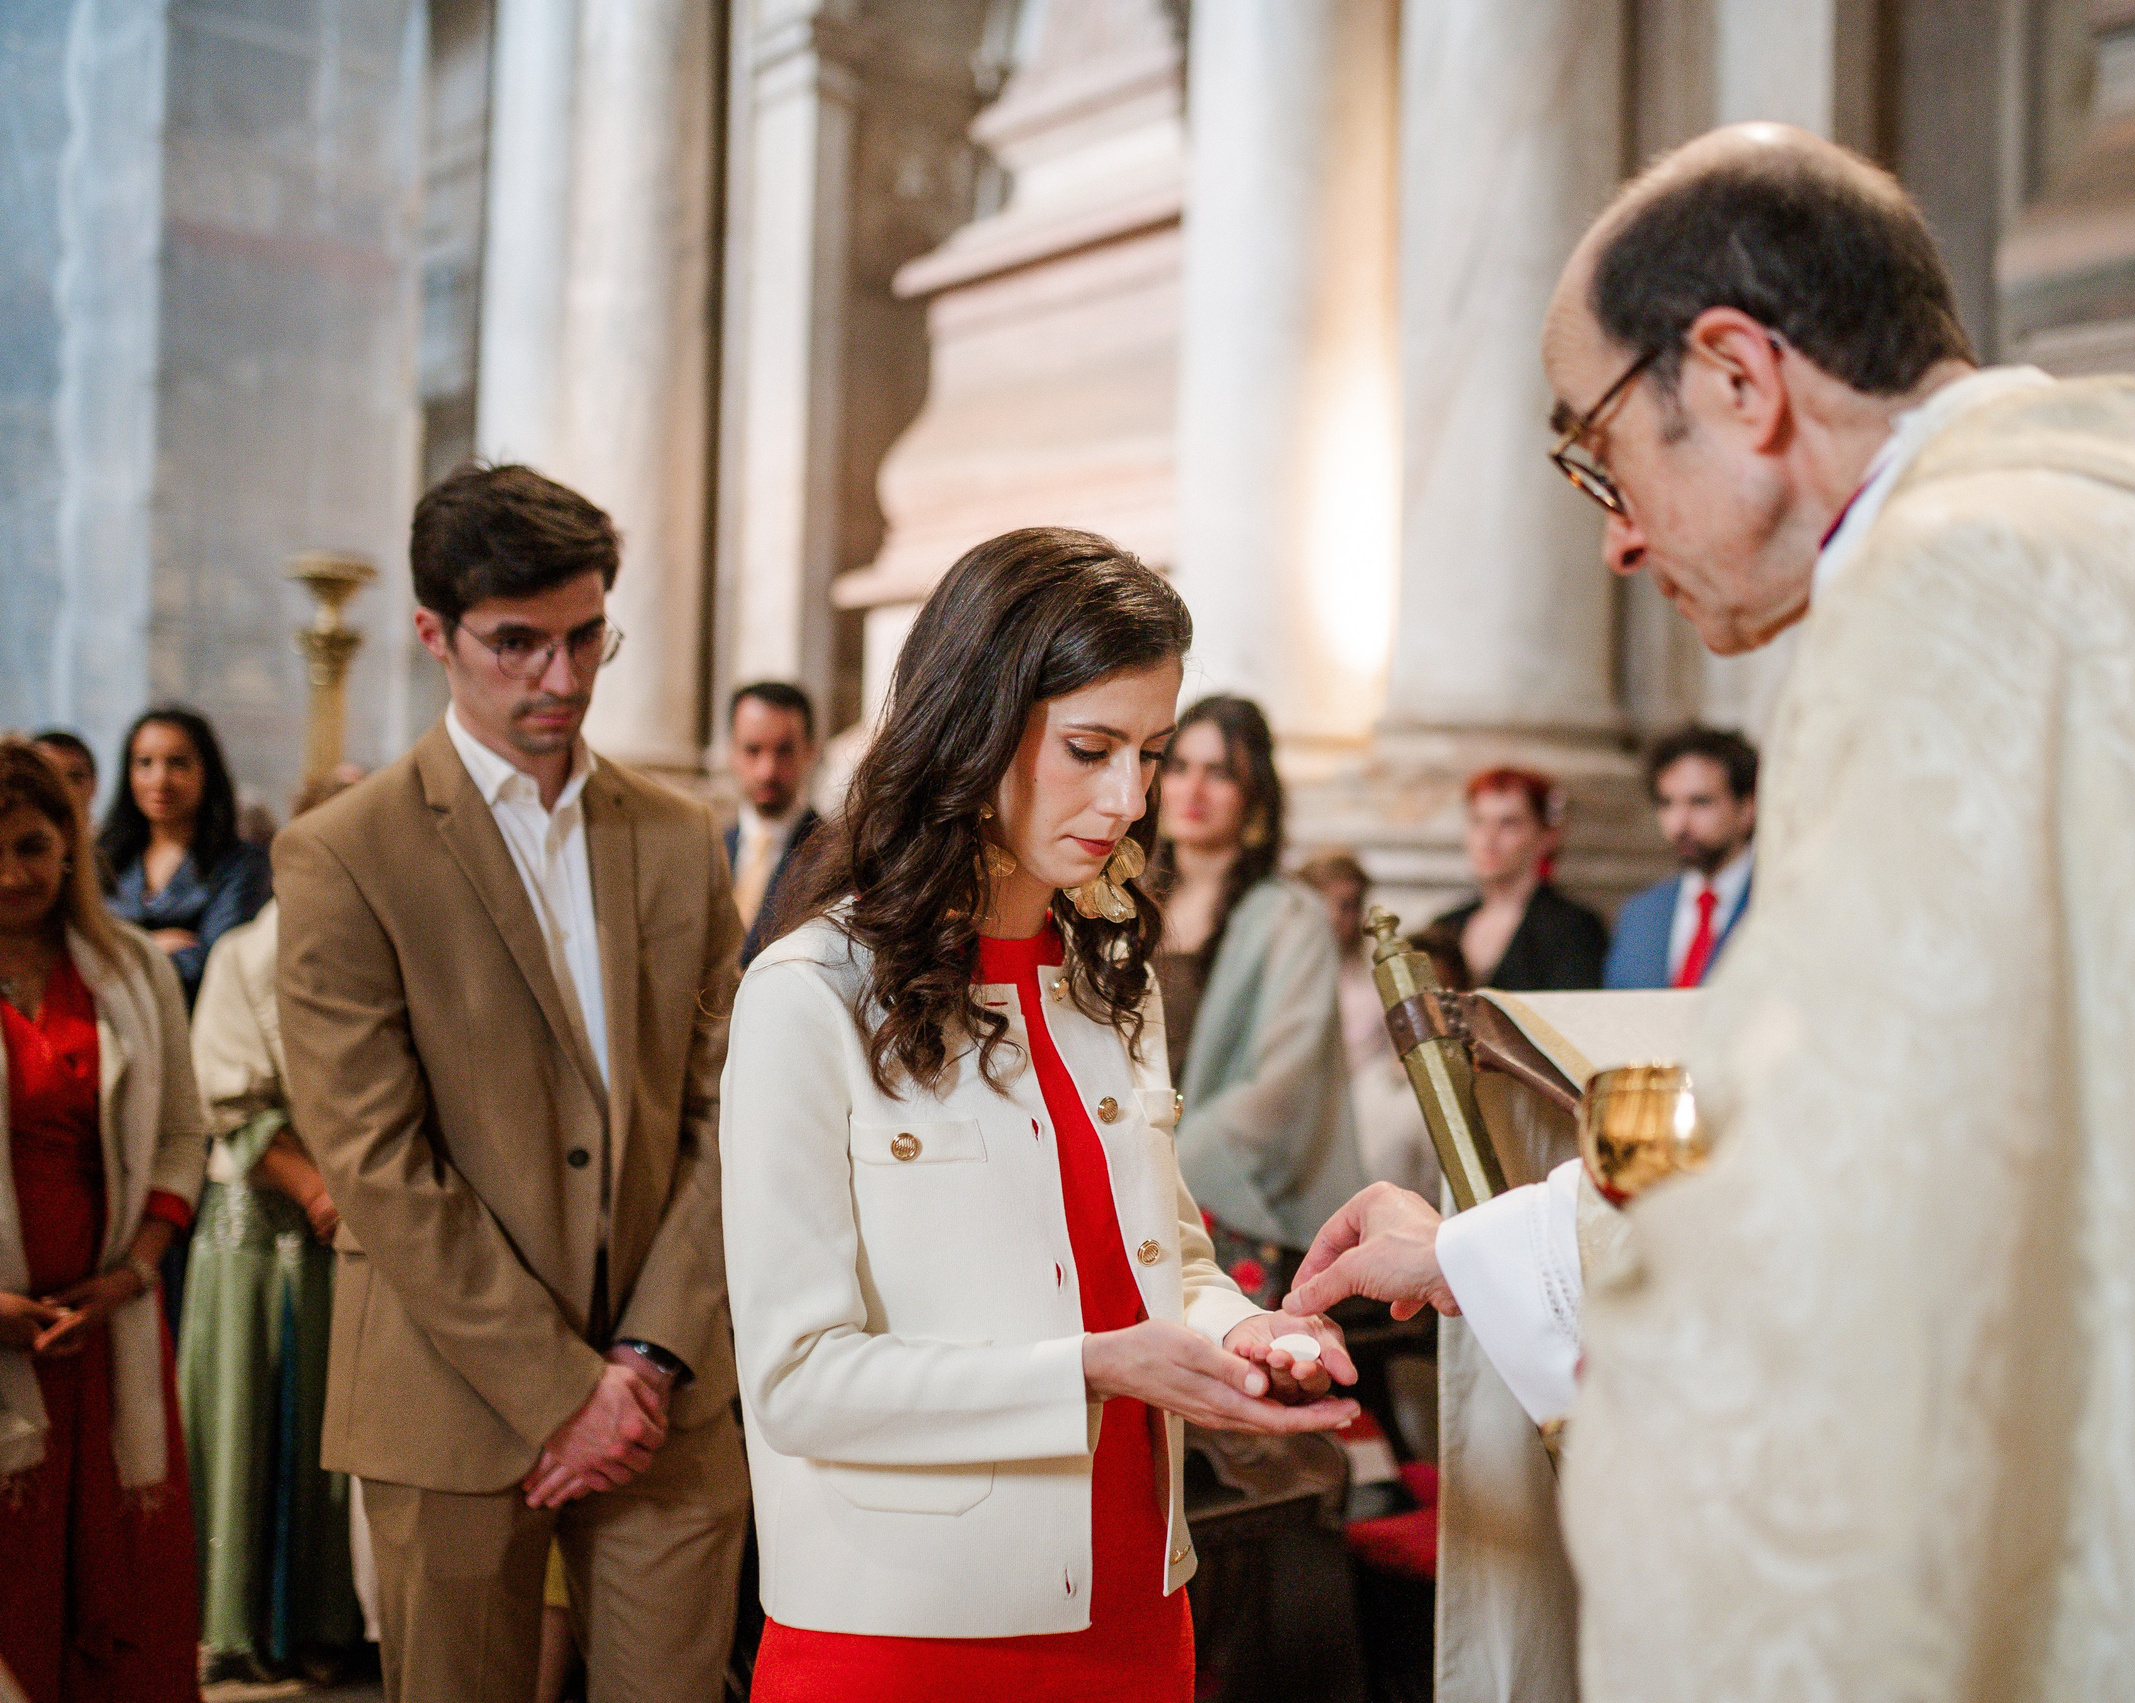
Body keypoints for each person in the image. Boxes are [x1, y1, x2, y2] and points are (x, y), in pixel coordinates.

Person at [1288, 123, 2135, 1697]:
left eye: (1597, 451)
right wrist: (1491, 1248)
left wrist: (1495, 1260)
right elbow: (1991, 1136)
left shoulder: (1967, 595)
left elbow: (1844, 1243)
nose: (1614, 532)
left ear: (1739, 375)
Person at [719, 528, 1360, 1703]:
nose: (1127, 798)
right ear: (973, 726)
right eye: (1089, 747)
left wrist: (1242, 1336)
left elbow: (1166, 1263)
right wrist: (1093, 1367)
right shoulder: (807, 994)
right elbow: (800, 1380)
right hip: (907, 1626)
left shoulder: (1111, 979)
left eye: (1151, 753)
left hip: (1136, 1599)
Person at [271, 463, 750, 1703]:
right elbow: (376, 1160)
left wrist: (644, 1357)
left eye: (589, 635)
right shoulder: (343, 853)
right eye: (519, 644)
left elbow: (726, 1113)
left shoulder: (678, 834)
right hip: (450, 1394)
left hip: (669, 1390)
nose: (565, 678)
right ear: (434, 634)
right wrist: (560, 1388)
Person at [0, 737, 207, 1703]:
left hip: (110, 1327)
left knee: (126, 1579)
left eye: (34, 846)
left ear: (72, 846)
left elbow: (179, 1137)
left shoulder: (128, 966)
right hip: (3, 1341)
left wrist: (133, 1272)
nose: (12, 874)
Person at [178, 772, 365, 1685]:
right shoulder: (248, 954)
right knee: (243, 1421)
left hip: (352, 1234)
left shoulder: (381, 948)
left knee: (340, 1442)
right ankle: (239, 1624)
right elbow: (230, 1095)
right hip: (259, 1227)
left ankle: (330, 1621)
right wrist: (319, 1189)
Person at [1149, 696, 1365, 1305]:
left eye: (1219, 773)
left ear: (1255, 797)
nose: (1193, 789)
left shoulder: (1292, 917)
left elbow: (1283, 1089)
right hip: (1119, 1170)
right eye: (1179, 765)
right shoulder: (1119, 904)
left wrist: (1167, 1161)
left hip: (1224, 1196)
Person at [97, 707, 270, 1011]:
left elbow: (214, 963)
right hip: (111, 1023)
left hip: (195, 1025)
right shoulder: (105, 856)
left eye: (177, 763)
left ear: (207, 771)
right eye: (144, 763)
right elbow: (79, 951)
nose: (159, 779)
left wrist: (118, 955)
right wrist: (153, 946)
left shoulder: (241, 865)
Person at [1299, 850, 1441, 1202]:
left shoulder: (1375, 981)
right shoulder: (1282, 974)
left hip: (1366, 1112)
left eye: (1347, 905)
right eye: (1323, 903)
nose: (1334, 916)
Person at [1602, 725, 1756, 989]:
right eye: (1666, 803)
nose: (1679, 824)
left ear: (1747, 808)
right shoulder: (1641, 914)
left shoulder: (1776, 903)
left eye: (1700, 802)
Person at [1430, 768, 1607, 991]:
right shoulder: (1446, 925)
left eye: (1508, 823)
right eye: (1478, 821)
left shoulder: (1573, 928)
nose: (1488, 839)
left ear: (1547, 836)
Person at [725, 681, 822, 967]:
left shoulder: (835, 855)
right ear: (732, 751)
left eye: (784, 751)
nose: (767, 770)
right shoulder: (707, 848)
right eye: (753, 750)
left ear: (810, 751)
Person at [30, 731, 97, 826]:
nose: (63, 790)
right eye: (48, 778)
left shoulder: (111, 839)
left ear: (93, 784)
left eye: (74, 778)